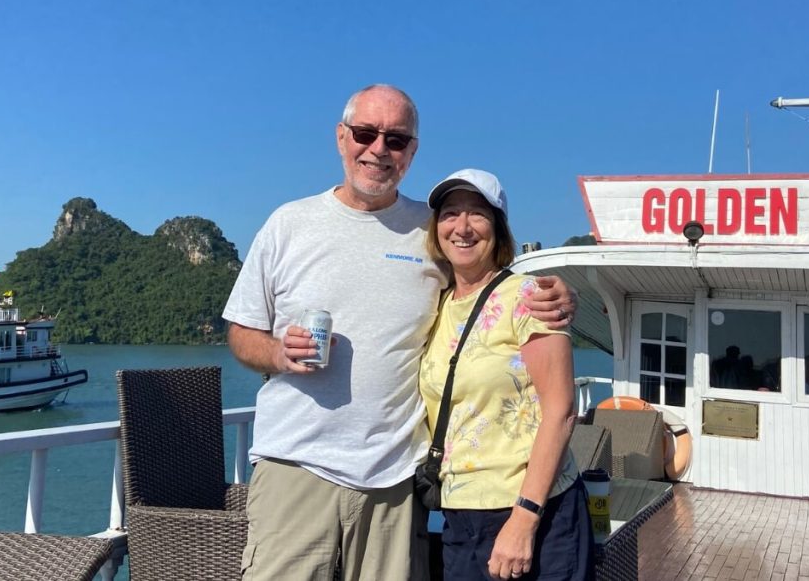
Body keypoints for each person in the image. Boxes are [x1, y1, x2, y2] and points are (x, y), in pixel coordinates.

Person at [223, 84, 576, 581]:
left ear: (411, 151)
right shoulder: (288, 224)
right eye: (366, 133)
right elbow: (241, 332)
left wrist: (560, 294)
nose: (378, 150)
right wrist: (278, 353)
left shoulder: (429, 231)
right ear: (341, 138)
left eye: (396, 139)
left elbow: (490, 289)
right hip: (296, 466)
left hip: (393, 480)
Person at [420, 169, 593, 581]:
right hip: (461, 513)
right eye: (450, 213)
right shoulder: (439, 303)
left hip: (535, 510)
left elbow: (561, 411)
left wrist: (524, 519)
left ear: (498, 227)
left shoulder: (529, 297)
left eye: (477, 214)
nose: (462, 227)